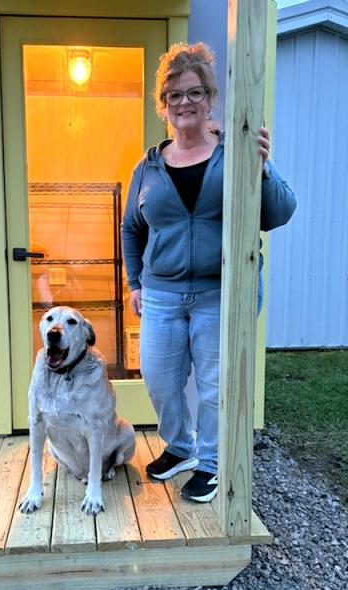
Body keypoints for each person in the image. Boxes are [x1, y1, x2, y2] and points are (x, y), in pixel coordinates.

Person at [121, 42, 296, 502]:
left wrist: (263, 168)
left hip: (223, 292)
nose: (185, 102)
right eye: (174, 95)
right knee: (159, 377)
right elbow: (131, 227)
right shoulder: (148, 166)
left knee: (216, 386)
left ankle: (213, 463)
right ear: (163, 104)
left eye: (194, 92)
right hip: (161, 293)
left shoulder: (236, 153)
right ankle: (180, 447)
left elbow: (279, 212)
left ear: (210, 98)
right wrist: (134, 282)